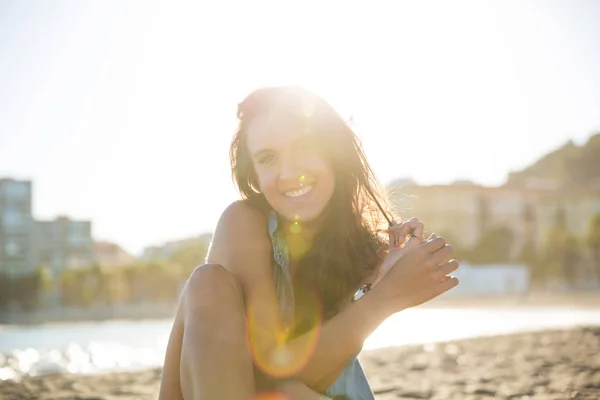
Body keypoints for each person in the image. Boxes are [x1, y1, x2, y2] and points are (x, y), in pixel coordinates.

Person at [158, 86, 459, 400]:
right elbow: (269, 376)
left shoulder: (364, 248)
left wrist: (381, 275)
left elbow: (306, 378)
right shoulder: (244, 225)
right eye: (268, 158)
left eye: (303, 146)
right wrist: (384, 298)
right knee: (206, 284)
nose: (289, 173)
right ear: (254, 174)